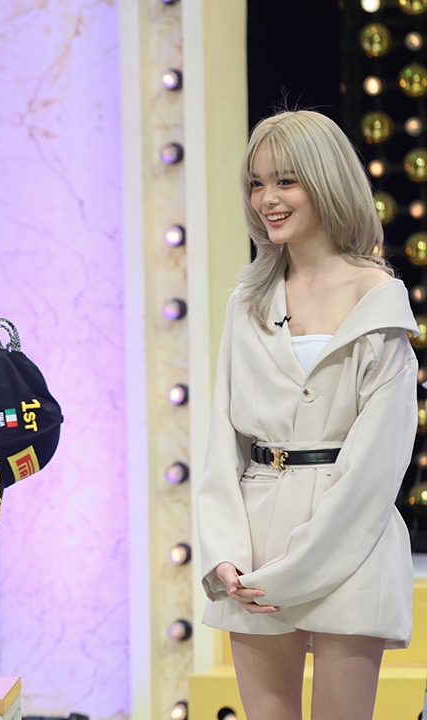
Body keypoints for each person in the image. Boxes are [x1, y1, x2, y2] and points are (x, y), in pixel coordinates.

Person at [197, 109, 417, 720]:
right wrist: (223, 550)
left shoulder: (379, 301)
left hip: (352, 542)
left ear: (326, 180)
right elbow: (222, 441)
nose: (267, 199)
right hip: (254, 546)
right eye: (256, 183)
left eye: (285, 181)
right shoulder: (247, 302)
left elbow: (377, 464)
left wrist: (300, 568)